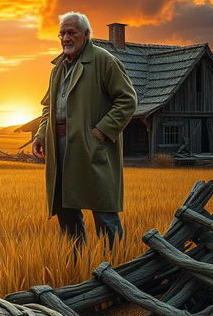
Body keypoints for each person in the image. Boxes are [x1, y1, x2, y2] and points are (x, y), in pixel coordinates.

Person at [32, 12, 137, 251]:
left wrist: (100, 132)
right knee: (65, 207)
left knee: (103, 208)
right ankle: (76, 263)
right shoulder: (57, 67)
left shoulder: (103, 60)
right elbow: (49, 106)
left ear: (86, 35)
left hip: (90, 145)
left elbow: (128, 100)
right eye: (62, 33)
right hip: (59, 146)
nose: (65, 38)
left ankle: (118, 263)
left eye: (71, 32)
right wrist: (41, 135)